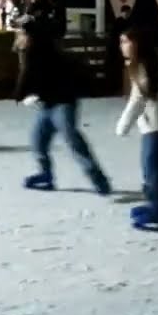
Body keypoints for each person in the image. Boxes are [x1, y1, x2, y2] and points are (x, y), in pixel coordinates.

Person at [15, 16, 112, 195]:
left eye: (21, 34)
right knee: (38, 140)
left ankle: (98, 179)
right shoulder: (32, 51)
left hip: (63, 103)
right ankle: (46, 175)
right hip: (47, 104)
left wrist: (20, 94)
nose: (18, 37)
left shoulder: (40, 52)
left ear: (30, 36)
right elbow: (32, 78)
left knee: (72, 140)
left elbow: (29, 76)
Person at [116, 26, 158, 232]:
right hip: (154, 123)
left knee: (153, 170)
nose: (122, 46)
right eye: (121, 42)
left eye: (125, 42)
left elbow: (138, 99)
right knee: (148, 168)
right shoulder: (146, 61)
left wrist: (123, 125)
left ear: (136, 44)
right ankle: (154, 206)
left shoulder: (144, 64)